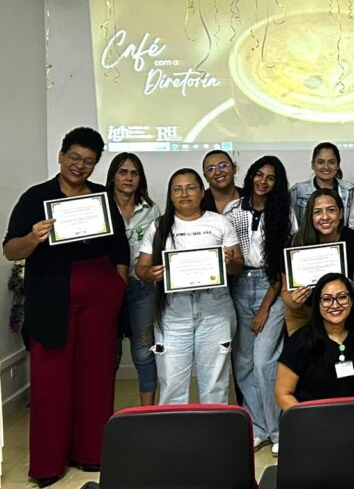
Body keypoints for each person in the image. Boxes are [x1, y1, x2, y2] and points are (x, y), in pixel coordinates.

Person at [3, 127, 129, 486]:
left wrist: (117, 287)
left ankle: (92, 453)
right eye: (74, 157)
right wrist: (33, 237)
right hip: (51, 295)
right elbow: (10, 249)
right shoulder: (35, 197)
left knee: (96, 377)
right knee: (50, 381)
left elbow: (120, 248)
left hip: (99, 297)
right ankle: (48, 464)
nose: (80, 166)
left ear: (96, 164)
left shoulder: (103, 196)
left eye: (88, 161)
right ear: (61, 156)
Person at [136, 169, 244, 407]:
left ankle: (213, 430)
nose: (184, 193)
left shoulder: (219, 222)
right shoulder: (158, 226)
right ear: (171, 195)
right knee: (172, 384)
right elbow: (141, 268)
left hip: (215, 309)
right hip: (173, 311)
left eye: (191, 187)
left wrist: (229, 262)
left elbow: (238, 265)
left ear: (201, 192)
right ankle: (176, 432)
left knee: (215, 384)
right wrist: (150, 273)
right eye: (177, 189)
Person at [224, 156, 294, 455]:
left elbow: (282, 266)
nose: (263, 182)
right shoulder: (232, 210)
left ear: (277, 184)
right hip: (239, 285)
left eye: (271, 178)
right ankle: (258, 428)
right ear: (251, 175)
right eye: (259, 175)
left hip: (271, 287)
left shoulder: (284, 214)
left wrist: (265, 307)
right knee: (243, 363)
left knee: (265, 361)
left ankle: (278, 430)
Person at [105, 152, 161, 406]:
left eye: (134, 173)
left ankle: (147, 412)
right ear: (113, 177)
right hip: (106, 289)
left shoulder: (151, 209)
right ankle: (102, 411)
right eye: (123, 172)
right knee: (110, 352)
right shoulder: (102, 207)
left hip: (142, 287)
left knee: (143, 351)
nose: (128, 178)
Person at [276, 273, 354, 410]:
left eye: (342, 297)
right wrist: (311, 420)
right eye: (327, 299)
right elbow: (283, 394)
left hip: (350, 417)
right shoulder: (301, 341)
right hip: (310, 419)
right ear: (318, 304)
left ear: (352, 301)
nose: (335, 305)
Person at [282, 188, 354, 335]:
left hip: (343, 312)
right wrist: (294, 301)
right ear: (310, 216)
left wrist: (352, 288)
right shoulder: (296, 242)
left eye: (331, 210)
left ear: (341, 213)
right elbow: (285, 293)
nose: (325, 217)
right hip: (304, 312)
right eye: (317, 212)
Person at [289, 141, 354, 225]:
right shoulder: (298, 191)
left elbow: (353, 224)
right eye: (320, 162)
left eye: (331, 162)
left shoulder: (349, 190)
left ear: (338, 165)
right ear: (312, 165)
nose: (326, 167)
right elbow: (293, 225)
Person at [200, 149, 241, 214]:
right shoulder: (199, 203)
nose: (218, 172)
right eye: (211, 169)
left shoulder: (250, 197)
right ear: (205, 177)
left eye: (223, 166)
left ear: (234, 169)